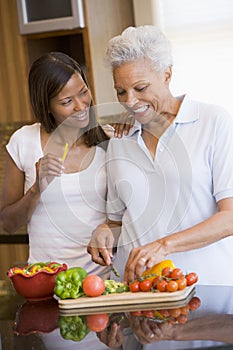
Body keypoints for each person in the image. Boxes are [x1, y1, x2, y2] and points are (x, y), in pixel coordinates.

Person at [88, 25, 233, 286]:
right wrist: (103, 232)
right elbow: (116, 221)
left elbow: (230, 216)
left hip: (207, 289)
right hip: (138, 295)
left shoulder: (213, 122)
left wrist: (164, 246)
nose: (130, 101)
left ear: (167, 75)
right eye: (121, 91)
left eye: (140, 88)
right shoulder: (120, 139)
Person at [0, 51, 116, 281]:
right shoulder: (24, 142)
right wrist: (36, 189)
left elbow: (126, 213)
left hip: (104, 284)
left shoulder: (109, 140)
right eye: (66, 102)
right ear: (47, 105)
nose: (81, 106)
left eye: (84, 92)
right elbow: (8, 224)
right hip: (48, 284)